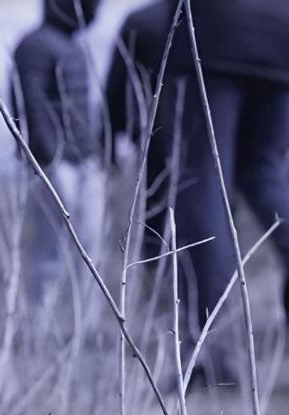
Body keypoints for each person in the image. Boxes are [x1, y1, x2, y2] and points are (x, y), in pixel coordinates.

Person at [172, 0, 289, 377]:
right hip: (282, 37)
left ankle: (214, 348)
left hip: (215, 36)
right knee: (266, 171)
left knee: (204, 175)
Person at [14, 0, 102, 300]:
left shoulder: (73, 46)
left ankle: (86, 332)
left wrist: (95, 157)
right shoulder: (34, 45)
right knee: (47, 251)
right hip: (53, 166)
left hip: (85, 163)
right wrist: (50, 163)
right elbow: (32, 106)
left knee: (90, 251)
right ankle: (38, 335)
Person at [104, 0, 174, 253]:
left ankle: (153, 280)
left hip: (151, 134)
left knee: (154, 214)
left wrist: (109, 139)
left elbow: (115, 86)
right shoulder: (215, 22)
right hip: (206, 139)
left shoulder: (141, 21)